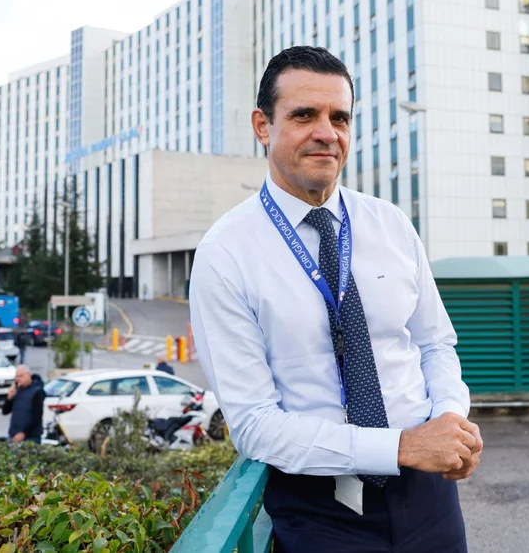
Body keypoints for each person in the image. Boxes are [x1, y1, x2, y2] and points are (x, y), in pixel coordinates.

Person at [189, 47, 481, 553]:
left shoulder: (391, 224)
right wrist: (401, 447)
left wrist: (450, 418)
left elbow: (435, 343)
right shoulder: (225, 253)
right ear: (263, 125)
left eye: (340, 117)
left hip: (430, 498)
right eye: (305, 115)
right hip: (320, 512)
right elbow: (256, 425)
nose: (327, 132)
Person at [2, 365, 45, 443]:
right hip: (14, 434)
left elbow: (37, 416)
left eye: (21, 376)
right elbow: (5, 411)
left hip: (31, 436)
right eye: (16, 376)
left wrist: (24, 433)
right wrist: (9, 398)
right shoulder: (17, 390)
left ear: (28, 375)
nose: (18, 379)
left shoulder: (37, 391)